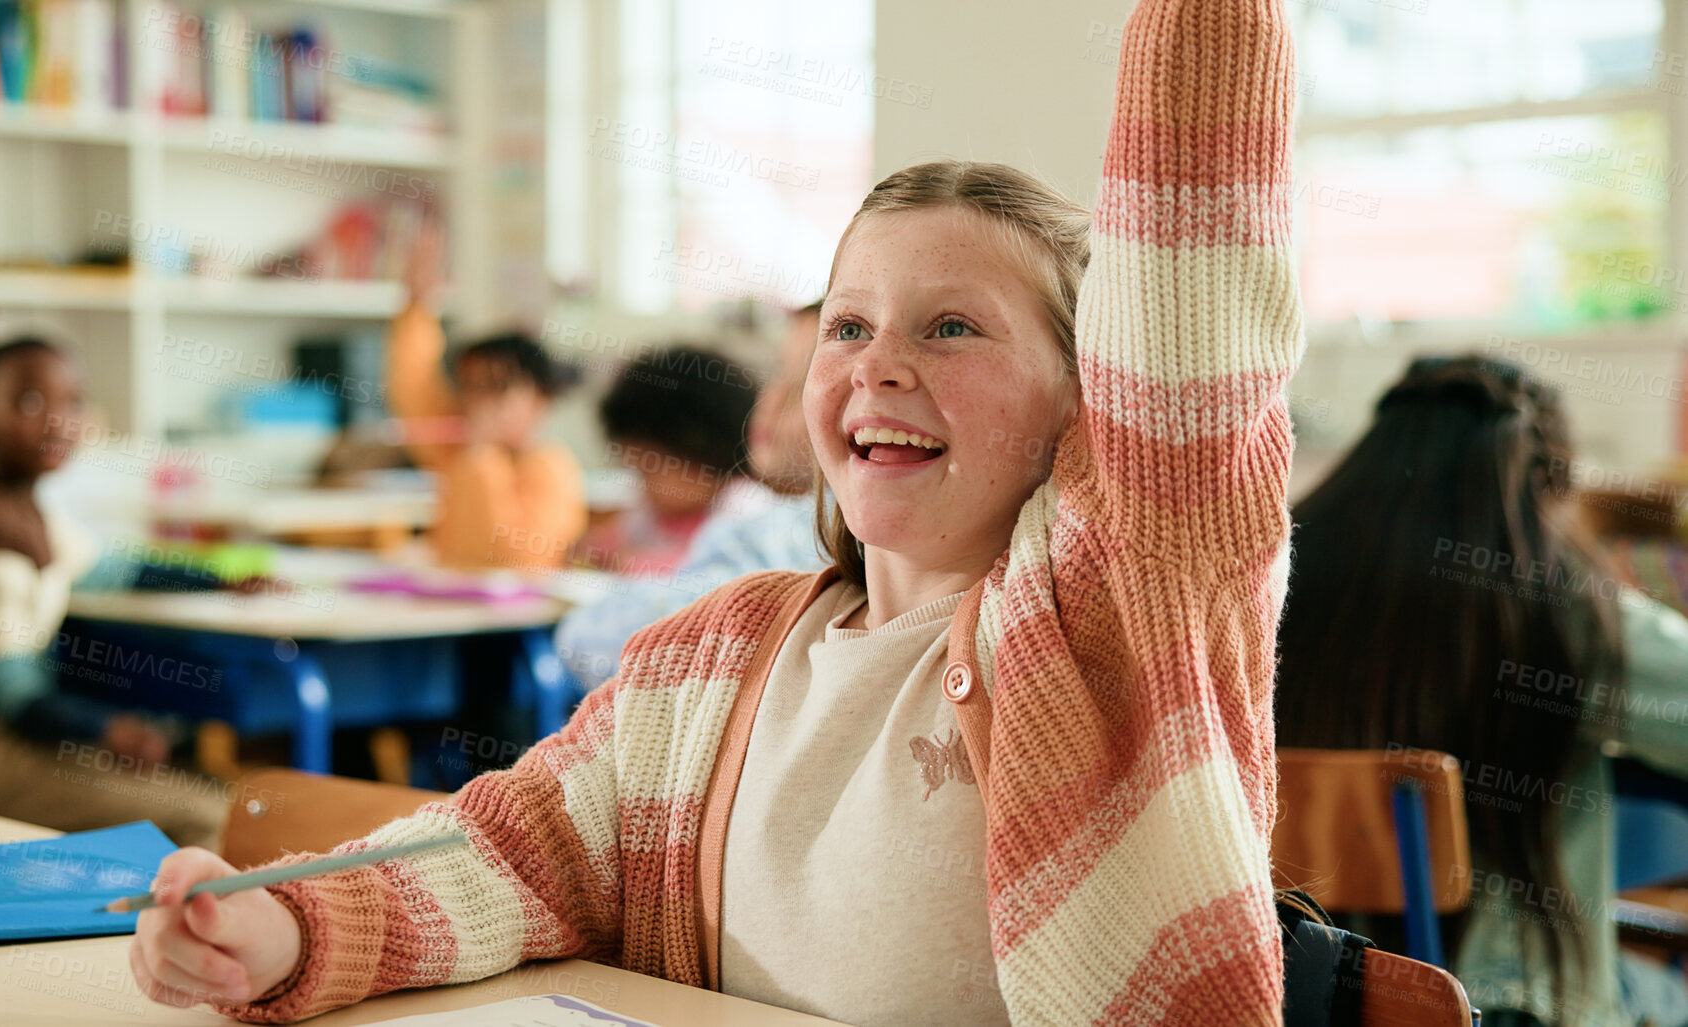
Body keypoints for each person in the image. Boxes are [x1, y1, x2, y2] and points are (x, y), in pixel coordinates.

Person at [131, 2, 1300, 1021]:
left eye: (953, 326)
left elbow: (1195, 268)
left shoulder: (1114, 607)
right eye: (849, 325)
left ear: (1090, 398)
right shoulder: (709, 652)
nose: (878, 364)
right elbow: (509, 854)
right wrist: (284, 928)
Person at [1273, 356, 1688, 1027]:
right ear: (1543, 484)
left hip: (1312, 990)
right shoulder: (1562, 607)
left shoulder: (1275, 572)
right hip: (1511, 1004)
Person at [0, 338, 231, 849]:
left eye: (73, 402)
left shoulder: (32, 514)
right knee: (203, 815)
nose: (60, 421)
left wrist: (221, 578)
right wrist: (110, 731)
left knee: (207, 788)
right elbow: (12, 695)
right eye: (30, 402)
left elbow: (115, 568)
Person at [554, 303, 827, 690]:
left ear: (701, 452)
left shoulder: (757, 523)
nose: (769, 401)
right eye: (774, 375)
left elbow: (595, 639)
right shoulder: (786, 525)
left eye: (798, 382)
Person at [385, 221, 586, 571]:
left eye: (498, 389)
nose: (479, 403)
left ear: (541, 400)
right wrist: (417, 305)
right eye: (470, 388)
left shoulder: (550, 467)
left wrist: (481, 456)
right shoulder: (457, 453)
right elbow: (414, 388)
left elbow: (517, 559)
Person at [576, 344, 762, 577]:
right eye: (638, 470)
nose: (646, 486)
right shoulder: (652, 513)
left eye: (652, 468)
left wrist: (632, 563)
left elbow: (717, 576)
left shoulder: (744, 507)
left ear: (704, 453)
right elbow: (614, 542)